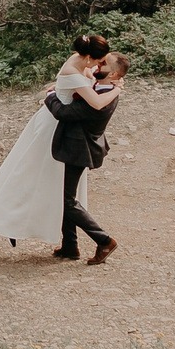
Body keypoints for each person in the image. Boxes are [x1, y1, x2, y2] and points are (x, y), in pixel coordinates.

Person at [0, 33, 119, 258]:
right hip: (54, 129)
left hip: (60, 127)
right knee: (44, 182)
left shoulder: (79, 61)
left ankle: (70, 245)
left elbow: (84, 79)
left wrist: (60, 89)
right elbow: (95, 102)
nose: (99, 66)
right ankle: (91, 241)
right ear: (89, 57)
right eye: (98, 61)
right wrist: (117, 89)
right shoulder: (75, 71)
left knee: (61, 189)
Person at [47, 51, 123, 263]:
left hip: (78, 149)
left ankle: (104, 240)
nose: (98, 65)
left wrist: (51, 96)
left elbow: (63, 112)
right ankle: (70, 245)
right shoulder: (103, 88)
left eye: (104, 64)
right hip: (77, 146)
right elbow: (86, 78)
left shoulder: (101, 101)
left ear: (114, 74)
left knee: (67, 201)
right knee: (66, 197)